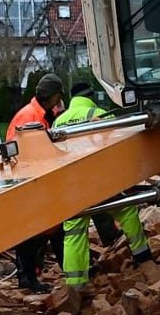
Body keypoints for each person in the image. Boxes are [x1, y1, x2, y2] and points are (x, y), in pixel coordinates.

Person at [52, 88, 154, 287]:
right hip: (100, 180)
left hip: (72, 184)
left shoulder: (58, 121)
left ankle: (75, 284)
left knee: (73, 232)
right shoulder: (98, 114)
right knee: (127, 212)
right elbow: (118, 145)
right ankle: (143, 258)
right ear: (91, 97)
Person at [6, 75, 67, 291]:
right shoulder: (30, 118)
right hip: (28, 181)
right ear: (53, 96)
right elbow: (32, 154)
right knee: (33, 233)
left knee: (53, 229)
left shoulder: (36, 114)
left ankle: (36, 276)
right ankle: (27, 278)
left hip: (29, 179)